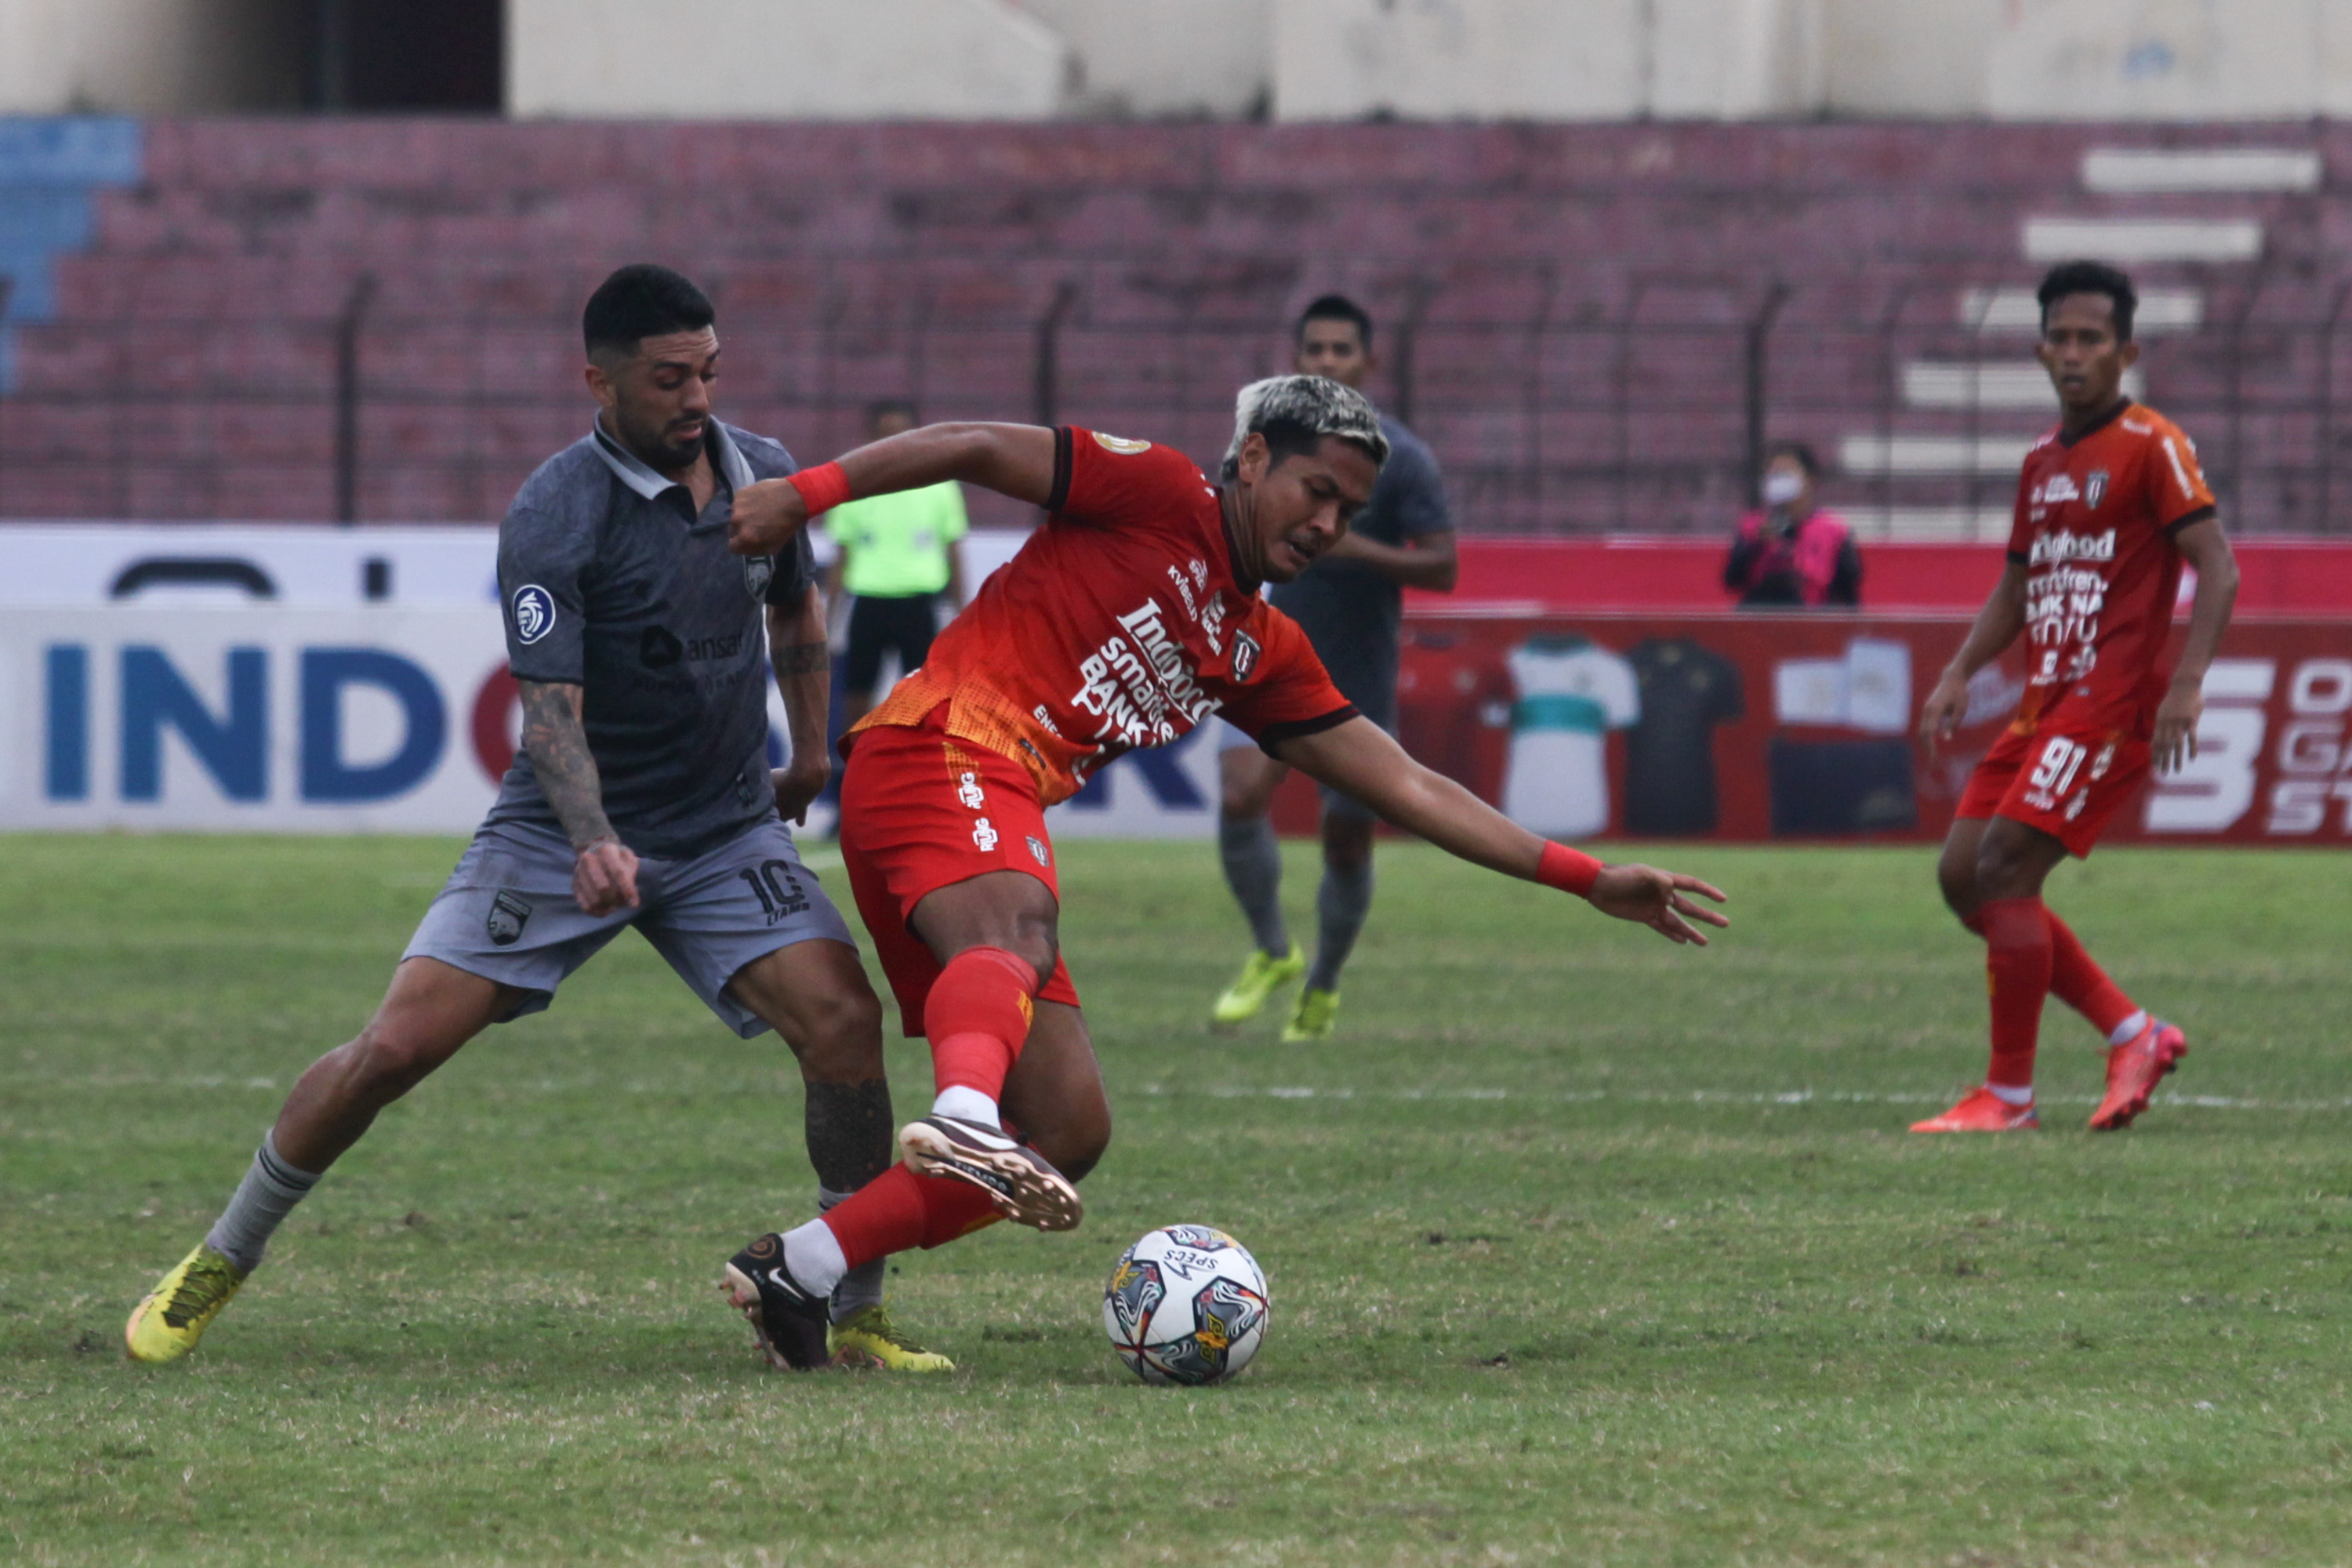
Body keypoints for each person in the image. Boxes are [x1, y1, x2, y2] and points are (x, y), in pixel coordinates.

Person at [715, 374, 1729, 1367]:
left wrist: (1587, 878)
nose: (1329, 524)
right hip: (939, 747)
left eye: (1350, 509)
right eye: (1316, 491)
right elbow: (978, 444)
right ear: (1251, 460)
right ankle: (966, 1117)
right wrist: (807, 494)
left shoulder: (1258, 648)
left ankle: (797, 1267)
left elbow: (1409, 787)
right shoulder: (1156, 491)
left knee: (1069, 1129)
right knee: (1016, 932)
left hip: (980, 799)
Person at [124, 264, 948, 1374]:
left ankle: (856, 1311)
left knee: (845, 1027)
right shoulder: (556, 512)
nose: (696, 397)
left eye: (707, 372)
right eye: (668, 379)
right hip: (559, 834)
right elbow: (551, 716)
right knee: (393, 1049)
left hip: (721, 830)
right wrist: (595, 836)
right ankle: (222, 1255)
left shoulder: (762, 472)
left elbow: (798, 601)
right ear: (598, 383)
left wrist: (806, 748)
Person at [1911, 259, 2238, 1134]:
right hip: (2043, 704)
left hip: (2110, 700)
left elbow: (2218, 564)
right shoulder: (2041, 464)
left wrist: (2188, 682)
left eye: (2091, 338)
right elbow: (2019, 584)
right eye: (2059, 338)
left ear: (2124, 351)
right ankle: (2135, 1032)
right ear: (2037, 350)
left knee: (2007, 868)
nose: (2073, 353)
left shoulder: (2151, 443)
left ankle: (2009, 1096)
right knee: (1961, 878)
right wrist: (1959, 670)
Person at [1207, 294, 1459, 1041]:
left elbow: (1442, 565)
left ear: (1367, 363)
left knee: (1346, 838)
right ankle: (1273, 950)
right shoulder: (1266, 447)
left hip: (1355, 666)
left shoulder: (1400, 458)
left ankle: (1323, 984)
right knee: (1240, 792)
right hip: (1264, 652)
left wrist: (1357, 551)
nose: (1326, 363)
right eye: (1313, 350)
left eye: (1340, 351)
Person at [822, 398, 969, 728]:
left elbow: (954, 552)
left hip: (918, 602)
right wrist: (829, 622)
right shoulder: (854, 484)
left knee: (924, 694)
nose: (895, 441)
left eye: (901, 433)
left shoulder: (940, 485)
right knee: (858, 691)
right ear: (872, 437)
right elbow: (841, 558)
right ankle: (854, 761)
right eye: (886, 433)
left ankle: (916, 763)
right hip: (870, 601)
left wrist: (963, 616)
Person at [1722, 442, 1861, 608]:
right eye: (1773, 475)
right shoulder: (1752, 527)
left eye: (1785, 474)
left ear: (1810, 480)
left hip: (1813, 622)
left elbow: (1848, 594)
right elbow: (1732, 580)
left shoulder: (1834, 532)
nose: (1777, 481)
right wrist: (1755, 545)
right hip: (1760, 620)